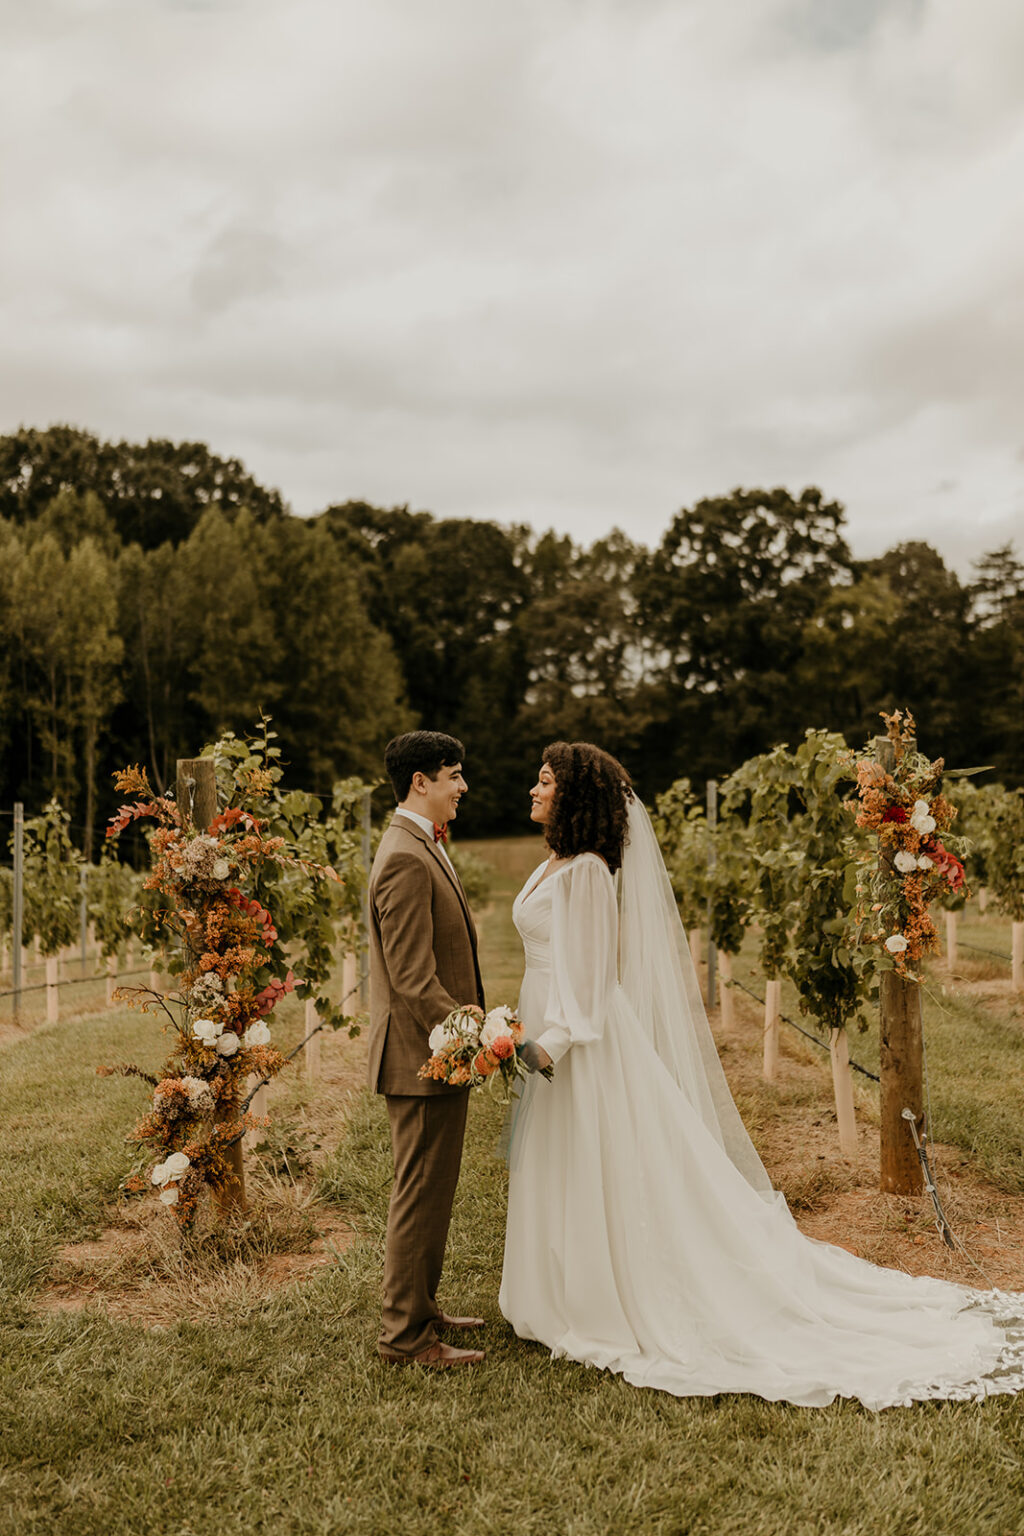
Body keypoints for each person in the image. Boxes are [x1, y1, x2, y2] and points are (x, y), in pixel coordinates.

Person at [500, 740, 1024, 1409]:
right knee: (562, 1162)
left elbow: (596, 980)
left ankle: (597, 1298)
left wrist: (552, 1044)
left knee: (600, 1164)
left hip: (580, 1045)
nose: (533, 790)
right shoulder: (552, 865)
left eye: (544, 782)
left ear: (573, 796)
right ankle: (552, 1291)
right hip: (544, 1029)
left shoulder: (588, 875)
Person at [368, 730, 486, 1369]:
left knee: (433, 1190)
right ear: (421, 781)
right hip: (421, 1056)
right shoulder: (406, 856)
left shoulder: (422, 844)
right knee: (418, 1191)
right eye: (453, 774)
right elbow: (412, 977)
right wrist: (478, 1034)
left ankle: (421, 1305)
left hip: (434, 1053)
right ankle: (405, 1338)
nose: (462, 786)